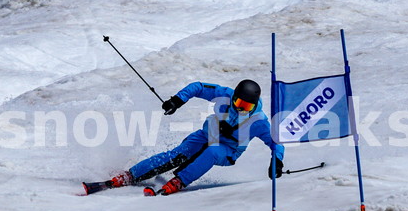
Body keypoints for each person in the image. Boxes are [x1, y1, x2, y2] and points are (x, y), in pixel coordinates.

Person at [84, 79, 285, 196]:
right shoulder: (224, 94)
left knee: (213, 152)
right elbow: (198, 87)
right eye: (239, 102)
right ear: (234, 97)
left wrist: (277, 160)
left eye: (247, 106)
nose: (241, 108)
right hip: (207, 135)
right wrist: (177, 100)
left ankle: (179, 181)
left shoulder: (258, 121)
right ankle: (131, 174)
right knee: (179, 154)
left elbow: (275, 142)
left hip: (228, 151)